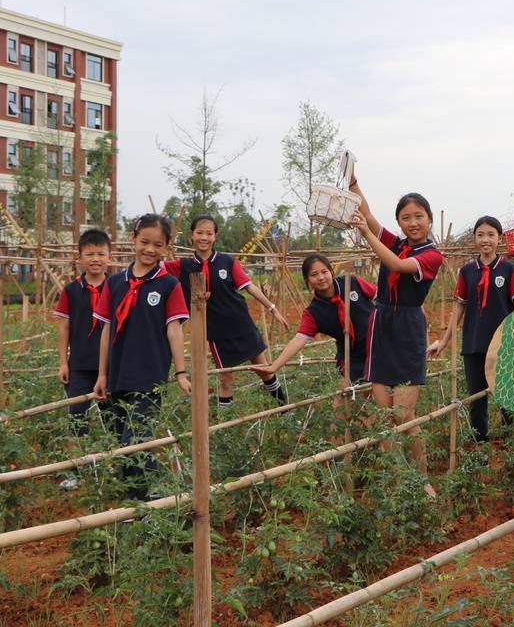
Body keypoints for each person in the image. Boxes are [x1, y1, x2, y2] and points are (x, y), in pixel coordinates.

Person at [349, 174, 444, 498]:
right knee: (382, 414)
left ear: (429, 219)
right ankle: (396, 480)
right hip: (381, 325)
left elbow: (397, 265)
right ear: (400, 222)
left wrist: (365, 234)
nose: (413, 222)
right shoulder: (398, 241)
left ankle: (421, 479)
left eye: (419, 216)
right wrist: (353, 181)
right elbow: (369, 214)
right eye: (406, 217)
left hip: (407, 330)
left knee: (403, 414)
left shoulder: (431, 255)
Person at [92, 214, 190, 501]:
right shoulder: (114, 283)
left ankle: (143, 501)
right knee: (122, 435)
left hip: (150, 373)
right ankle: (150, 488)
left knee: (135, 438)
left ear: (167, 247)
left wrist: (181, 373)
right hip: (118, 371)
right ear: (133, 239)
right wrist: (101, 374)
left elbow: (174, 330)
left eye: (157, 244)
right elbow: (106, 330)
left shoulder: (169, 285)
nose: (149, 249)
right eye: (144, 242)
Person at [164, 215, 289, 408]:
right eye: (199, 233)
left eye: (209, 233)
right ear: (191, 236)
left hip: (242, 324)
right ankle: (225, 426)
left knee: (264, 370)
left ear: (215, 237)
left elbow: (250, 287)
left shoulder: (227, 263)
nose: (204, 237)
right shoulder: (183, 266)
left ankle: (284, 409)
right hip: (217, 332)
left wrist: (273, 309)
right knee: (225, 379)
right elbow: (157, 267)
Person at [429, 216, 514, 442]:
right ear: (475, 239)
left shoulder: (509, 270)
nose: (485, 240)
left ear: (499, 238)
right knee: (476, 399)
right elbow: (459, 306)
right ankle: (480, 448)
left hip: (504, 344)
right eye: (480, 235)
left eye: (491, 234)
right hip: (473, 344)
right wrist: (445, 341)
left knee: (508, 396)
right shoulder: (467, 271)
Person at [53, 228, 111, 490]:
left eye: (101, 253)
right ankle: (77, 470)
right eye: (90, 254)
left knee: (115, 416)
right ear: (80, 258)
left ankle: (115, 464)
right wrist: (63, 361)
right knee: (77, 416)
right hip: (79, 365)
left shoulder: (117, 286)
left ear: (109, 256)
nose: (95, 258)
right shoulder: (71, 290)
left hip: (110, 366)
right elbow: (64, 326)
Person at [263, 254, 376, 386]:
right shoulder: (314, 312)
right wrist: (274, 367)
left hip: (379, 344)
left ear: (331, 272)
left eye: (324, 272)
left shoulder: (352, 282)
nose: (321, 278)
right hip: (352, 355)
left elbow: (382, 298)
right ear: (307, 280)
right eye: (314, 274)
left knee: (387, 386)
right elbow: (299, 340)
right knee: (357, 391)